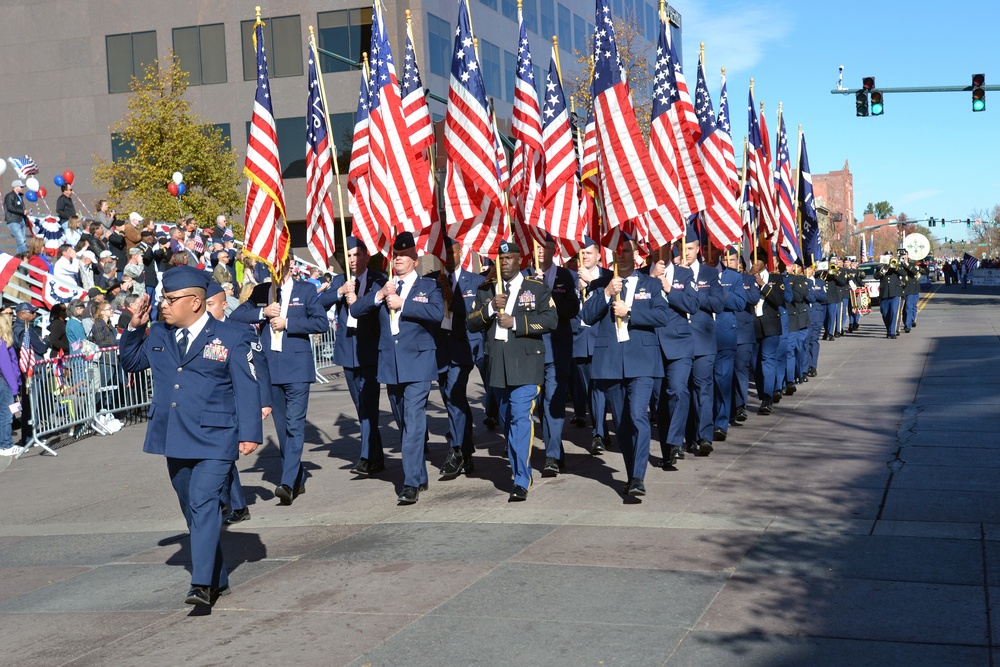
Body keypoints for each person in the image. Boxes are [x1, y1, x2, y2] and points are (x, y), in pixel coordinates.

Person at [119, 267, 263, 606]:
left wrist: (249, 432)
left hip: (216, 436)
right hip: (174, 436)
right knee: (192, 509)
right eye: (163, 300)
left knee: (203, 502)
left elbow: (246, 386)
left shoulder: (230, 336)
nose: (163, 306)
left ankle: (201, 585)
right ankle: (217, 576)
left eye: (170, 300)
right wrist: (134, 328)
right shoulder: (158, 334)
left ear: (195, 302)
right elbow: (130, 362)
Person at [350, 232, 444, 504]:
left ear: (415, 259)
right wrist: (379, 295)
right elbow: (356, 312)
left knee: (414, 422)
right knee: (404, 422)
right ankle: (420, 474)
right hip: (391, 365)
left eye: (404, 256)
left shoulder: (428, 286)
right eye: (396, 255)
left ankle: (410, 483)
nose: (398, 259)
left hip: (418, 363)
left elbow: (437, 314)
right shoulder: (384, 286)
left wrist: (405, 304)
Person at [230, 254, 329, 505]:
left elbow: (321, 322)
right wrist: (262, 311)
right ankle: (296, 476)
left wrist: (289, 322)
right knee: (283, 428)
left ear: (289, 265)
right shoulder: (263, 291)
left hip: (296, 368)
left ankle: (286, 483)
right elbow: (236, 316)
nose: (275, 267)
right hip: (270, 370)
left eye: (280, 262)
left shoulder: (305, 290)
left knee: (295, 425)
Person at [467, 240, 556, 501]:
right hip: (498, 367)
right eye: (500, 259)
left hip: (527, 364)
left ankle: (521, 478)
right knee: (507, 420)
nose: (504, 263)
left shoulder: (535, 287)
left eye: (509, 259)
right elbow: (471, 323)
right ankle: (520, 468)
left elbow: (551, 320)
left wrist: (516, 321)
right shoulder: (486, 290)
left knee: (520, 417)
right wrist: (490, 309)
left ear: (520, 260)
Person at [581, 236, 668, 497]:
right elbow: (586, 315)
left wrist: (629, 313)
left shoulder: (650, 285)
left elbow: (662, 316)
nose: (622, 255)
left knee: (638, 415)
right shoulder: (601, 283)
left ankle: (639, 476)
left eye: (627, 251)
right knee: (621, 422)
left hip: (641, 361)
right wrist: (606, 293)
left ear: (636, 254)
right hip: (611, 363)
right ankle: (632, 474)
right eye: (618, 251)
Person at [204, 281, 272, 526]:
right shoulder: (197, 331)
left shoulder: (239, 330)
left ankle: (235, 504)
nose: (206, 309)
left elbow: (257, 367)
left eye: (211, 304)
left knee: (223, 456)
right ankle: (226, 502)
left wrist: (263, 401)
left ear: (224, 305)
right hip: (208, 404)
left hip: (232, 403)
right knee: (217, 457)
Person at [319, 237, 387, 476]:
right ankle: (375, 456)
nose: (352, 259)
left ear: (366, 257)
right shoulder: (340, 280)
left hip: (370, 350)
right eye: (348, 255)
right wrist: (340, 291)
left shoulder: (379, 279)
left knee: (369, 405)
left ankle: (367, 457)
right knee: (361, 407)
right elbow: (320, 303)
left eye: (357, 255)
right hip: (348, 351)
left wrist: (359, 300)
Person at [432, 237, 485, 479]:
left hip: (464, 347)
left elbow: (474, 315)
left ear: (461, 252)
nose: (449, 258)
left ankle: (456, 449)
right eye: (445, 254)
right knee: (452, 399)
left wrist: (450, 296)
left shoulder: (475, 281)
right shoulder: (432, 281)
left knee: (454, 395)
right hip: (440, 349)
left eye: (452, 253)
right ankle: (467, 450)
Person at [530, 235, 579, 477]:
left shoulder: (566, 276)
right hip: (532, 348)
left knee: (554, 402)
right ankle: (555, 449)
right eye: (537, 246)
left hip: (557, 347)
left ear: (553, 250)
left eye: (546, 247)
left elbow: (572, 309)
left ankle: (550, 456)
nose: (541, 251)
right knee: (539, 405)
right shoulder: (526, 275)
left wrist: (546, 295)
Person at [681, 231, 724, 456]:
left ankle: (705, 435)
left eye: (689, 248)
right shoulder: (674, 273)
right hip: (678, 342)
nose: (685, 253)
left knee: (703, 387)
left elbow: (718, 304)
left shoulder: (709, 273)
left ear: (697, 249)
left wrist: (695, 295)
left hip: (703, 341)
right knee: (681, 390)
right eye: (682, 248)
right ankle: (687, 436)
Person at [571, 237, 612, 453]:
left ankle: (598, 433)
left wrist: (592, 284)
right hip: (580, 339)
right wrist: (577, 290)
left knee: (599, 387)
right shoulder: (572, 278)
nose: (585, 256)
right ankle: (601, 429)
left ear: (598, 255)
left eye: (589, 253)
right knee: (588, 389)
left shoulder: (607, 277)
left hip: (601, 339)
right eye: (583, 253)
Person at [712, 246, 748, 442]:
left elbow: (741, 303)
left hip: (724, 335)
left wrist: (720, 292)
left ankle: (720, 423)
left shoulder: (733, 277)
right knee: (703, 384)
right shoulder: (695, 274)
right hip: (701, 336)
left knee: (722, 380)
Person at [0, 309, 22, 457]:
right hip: (5, 381)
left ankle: (4, 443)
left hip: (4, 380)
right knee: (6, 414)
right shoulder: (3, 342)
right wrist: (14, 387)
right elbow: (6, 366)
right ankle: (6, 444)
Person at [877, 255, 903, 339]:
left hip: (895, 293)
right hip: (884, 294)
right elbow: (876, 276)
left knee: (894, 312)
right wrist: (885, 268)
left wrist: (895, 267)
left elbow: (903, 273)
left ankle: (892, 332)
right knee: (885, 313)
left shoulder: (897, 266)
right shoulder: (881, 267)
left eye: (891, 257)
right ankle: (889, 328)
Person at [4, 180, 30, 255]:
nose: (22, 188)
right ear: (15, 187)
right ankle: (25, 256)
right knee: (21, 240)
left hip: (20, 220)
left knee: (21, 241)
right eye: (21, 187)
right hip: (13, 221)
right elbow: (10, 207)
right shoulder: (10, 196)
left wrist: (25, 212)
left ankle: (20, 259)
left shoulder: (20, 196)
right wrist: (22, 211)